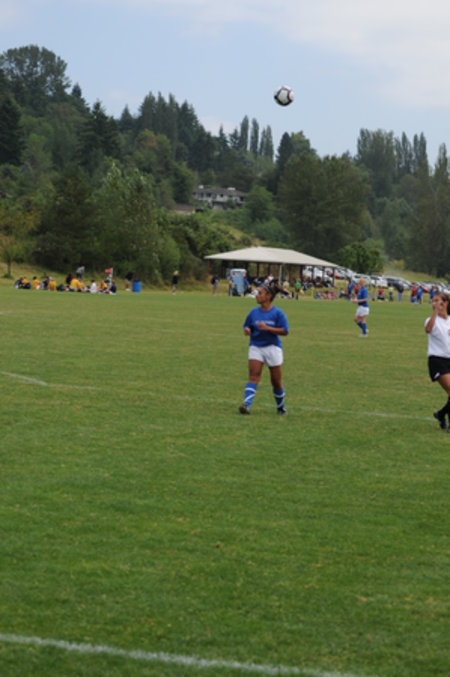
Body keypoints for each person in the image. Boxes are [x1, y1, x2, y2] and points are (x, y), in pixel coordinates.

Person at [239, 283, 289, 415]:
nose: (257, 295)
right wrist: (247, 330)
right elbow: (247, 326)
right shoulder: (253, 312)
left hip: (273, 348)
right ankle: (246, 405)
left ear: (268, 296)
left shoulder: (278, 313)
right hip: (256, 347)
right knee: (253, 377)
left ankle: (281, 407)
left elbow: (285, 331)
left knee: (276, 382)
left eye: (260, 293)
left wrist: (268, 328)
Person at [425, 292, 450, 432]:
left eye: (438, 301)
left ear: (445, 303)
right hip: (437, 360)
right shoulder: (431, 320)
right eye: (433, 301)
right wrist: (435, 311)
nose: (434, 304)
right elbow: (428, 329)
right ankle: (442, 416)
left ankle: (441, 414)